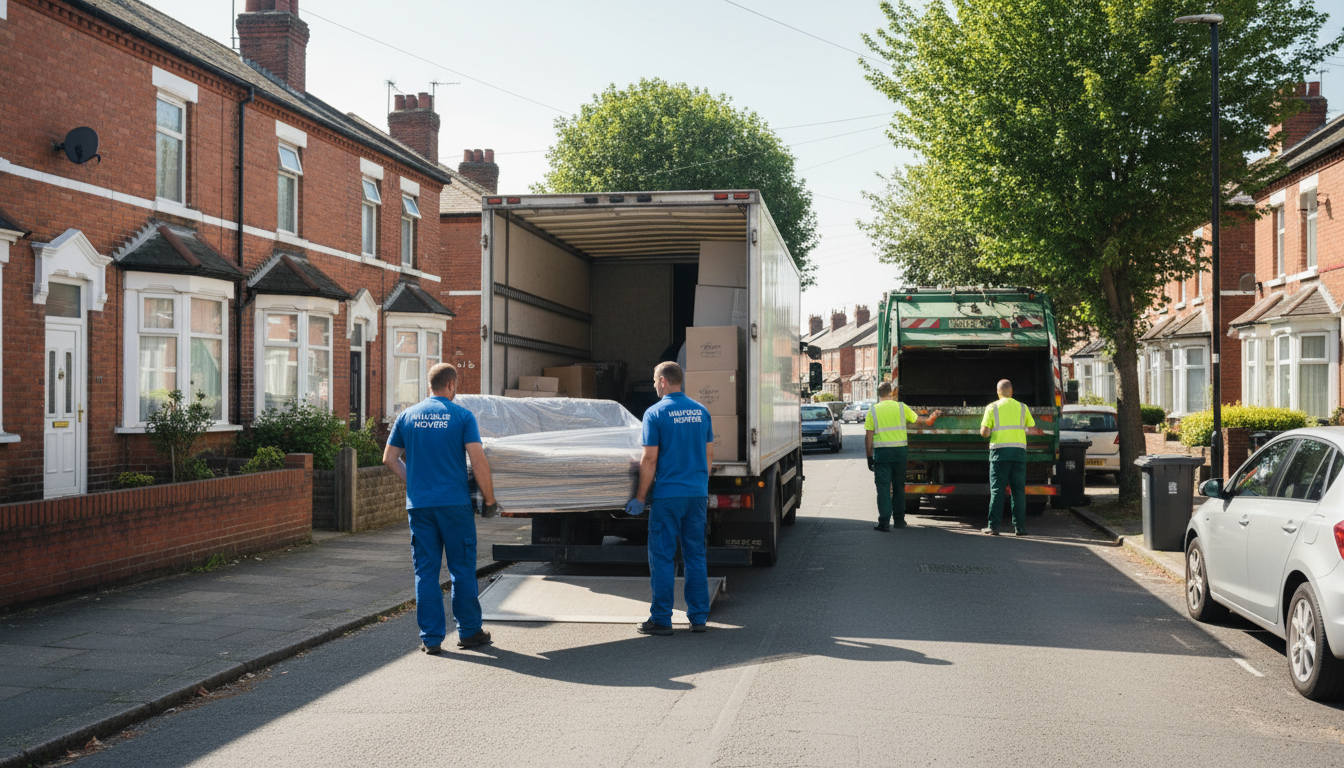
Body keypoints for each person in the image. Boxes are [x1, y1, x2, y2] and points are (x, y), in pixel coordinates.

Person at [383, 363, 499, 654]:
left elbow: (389, 458)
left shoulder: (407, 416)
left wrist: (416, 482)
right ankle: (470, 632)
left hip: (420, 506)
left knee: (426, 572)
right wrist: (489, 500)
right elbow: (478, 460)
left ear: (429, 386)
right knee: (461, 569)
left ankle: (431, 638)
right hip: (454, 505)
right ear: (451, 385)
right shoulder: (461, 416)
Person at [625, 361, 713, 636]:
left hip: (668, 495)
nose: (654, 386)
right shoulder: (702, 412)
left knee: (662, 557)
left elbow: (649, 459)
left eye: (654, 381)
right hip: (696, 494)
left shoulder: (655, 413)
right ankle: (698, 618)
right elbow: (709, 456)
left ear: (663, 381)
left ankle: (661, 619)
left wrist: (640, 497)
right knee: (695, 555)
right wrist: (699, 484)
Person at [865, 382, 940, 531]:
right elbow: (918, 421)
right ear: (892, 393)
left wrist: (869, 457)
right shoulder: (901, 407)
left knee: (884, 488)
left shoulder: (873, 411)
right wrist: (930, 419)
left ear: (878, 394)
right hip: (900, 452)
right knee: (899, 487)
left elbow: (869, 436)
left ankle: (884, 522)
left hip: (883, 454)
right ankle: (899, 520)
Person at [979, 379, 1035, 537]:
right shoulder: (1022, 407)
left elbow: (984, 432)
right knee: (1018, 491)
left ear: (998, 392)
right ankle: (1020, 528)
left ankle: (993, 526)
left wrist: (990, 432)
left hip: (999, 453)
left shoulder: (992, 407)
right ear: (1012, 391)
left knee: (997, 490)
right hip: (1019, 453)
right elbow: (1029, 427)